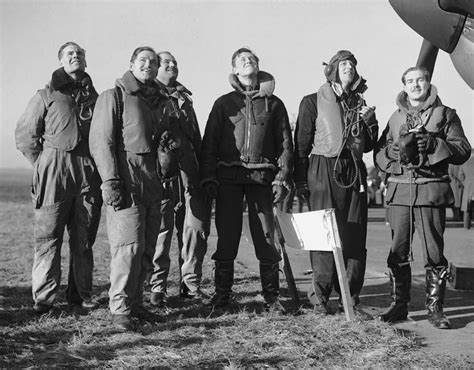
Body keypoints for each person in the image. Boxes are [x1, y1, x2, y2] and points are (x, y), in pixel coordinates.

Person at [374, 66, 471, 329]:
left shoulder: (446, 114)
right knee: (397, 252)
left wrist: (435, 145)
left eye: (420, 80)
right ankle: (398, 306)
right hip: (400, 191)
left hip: (430, 190)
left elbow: (463, 149)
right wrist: (392, 154)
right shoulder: (395, 118)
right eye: (410, 81)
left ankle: (435, 309)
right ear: (404, 86)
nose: (415, 85)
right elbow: (379, 154)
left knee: (434, 253)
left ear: (428, 83)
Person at [200, 47, 293, 313]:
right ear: (235, 71)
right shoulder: (223, 104)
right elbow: (210, 143)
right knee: (227, 236)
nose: (247, 61)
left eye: (251, 58)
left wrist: (282, 177)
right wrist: (208, 177)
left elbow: (285, 144)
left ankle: (272, 298)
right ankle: (222, 296)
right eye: (242, 60)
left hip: (261, 178)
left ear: (258, 67)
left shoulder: (274, 104)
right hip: (228, 178)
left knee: (266, 236)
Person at [15, 42, 102, 314]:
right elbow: (25, 136)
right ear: (61, 62)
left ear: (85, 62)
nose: (75, 56)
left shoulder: (96, 99)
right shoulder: (45, 95)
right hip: (54, 173)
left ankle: (80, 297)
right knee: (48, 237)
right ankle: (44, 299)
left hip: (88, 173)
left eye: (80, 54)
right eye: (70, 54)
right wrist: (43, 165)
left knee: (84, 239)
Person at [293, 50, 378, 314]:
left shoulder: (361, 104)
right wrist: (301, 181)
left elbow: (369, 145)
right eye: (343, 64)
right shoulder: (310, 102)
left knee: (354, 233)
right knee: (323, 235)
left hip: (353, 171)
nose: (349, 66)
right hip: (322, 169)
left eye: (352, 63)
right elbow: (301, 146)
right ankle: (320, 298)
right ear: (331, 70)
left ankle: (349, 297)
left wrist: (370, 122)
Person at [90, 46, 168, 331]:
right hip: (126, 178)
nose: (149, 65)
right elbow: (101, 142)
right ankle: (120, 308)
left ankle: (135, 304)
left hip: (152, 181)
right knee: (127, 247)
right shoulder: (114, 97)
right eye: (143, 60)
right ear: (132, 64)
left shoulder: (158, 102)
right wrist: (110, 180)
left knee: (147, 247)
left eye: (154, 62)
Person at [148, 51, 211, 307]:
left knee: (195, 230)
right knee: (162, 230)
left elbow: (196, 136)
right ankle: (157, 287)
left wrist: (202, 171)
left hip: (190, 172)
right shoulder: (147, 97)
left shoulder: (185, 98)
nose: (172, 65)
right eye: (166, 63)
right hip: (162, 173)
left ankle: (191, 285)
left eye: (175, 62)